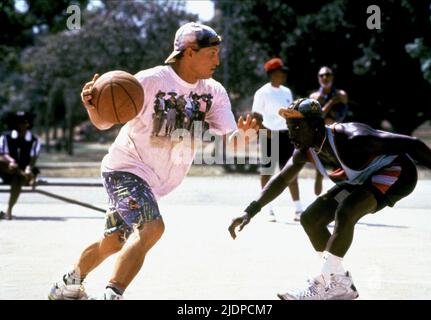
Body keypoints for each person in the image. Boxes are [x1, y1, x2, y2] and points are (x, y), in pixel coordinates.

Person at [48, 22, 258, 300]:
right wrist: (92, 107)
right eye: (212, 53)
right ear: (190, 52)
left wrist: (242, 138)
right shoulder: (150, 81)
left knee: (112, 242)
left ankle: (67, 285)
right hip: (124, 169)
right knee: (152, 227)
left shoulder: (214, 92)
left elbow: (229, 139)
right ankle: (113, 295)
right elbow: (104, 122)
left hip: (155, 183)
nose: (217, 60)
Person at [229, 98, 431, 300]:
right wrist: (250, 210)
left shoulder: (354, 138)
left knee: (347, 211)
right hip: (362, 178)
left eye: (297, 126)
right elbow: (282, 179)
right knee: (311, 218)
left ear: (316, 126)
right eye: (289, 127)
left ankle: (322, 283)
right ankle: (339, 283)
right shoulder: (305, 149)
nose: (291, 133)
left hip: (396, 172)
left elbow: (415, 145)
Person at [251, 58, 304, 222]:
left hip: (286, 135)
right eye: (281, 72)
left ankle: (298, 209)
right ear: (273, 74)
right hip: (269, 134)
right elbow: (255, 116)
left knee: (290, 171)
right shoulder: (262, 92)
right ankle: (268, 208)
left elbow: (291, 114)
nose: (284, 75)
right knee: (267, 171)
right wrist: (264, 131)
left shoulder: (286, 92)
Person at [0, 111, 41, 220]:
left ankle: (9, 210)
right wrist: (10, 161)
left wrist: (28, 169)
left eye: (24, 123)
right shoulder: (5, 138)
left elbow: (33, 158)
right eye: (19, 123)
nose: (22, 126)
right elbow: (2, 153)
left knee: (17, 179)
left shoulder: (34, 140)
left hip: (23, 173)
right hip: (6, 170)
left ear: (28, 125)